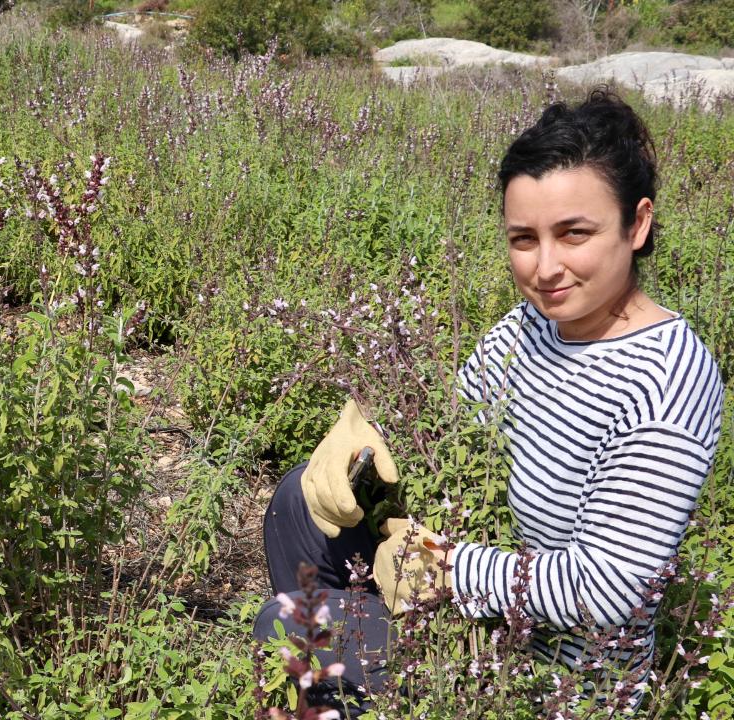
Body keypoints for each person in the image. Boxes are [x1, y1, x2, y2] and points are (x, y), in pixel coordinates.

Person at [254, 88, 726, 709]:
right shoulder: (533, 326)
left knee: (290, 621)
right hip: (478, 610)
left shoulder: (668, 377)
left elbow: (610, 589)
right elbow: (446, 428)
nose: (546, 267)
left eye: (574, 234)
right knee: (300, 500)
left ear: (636, 225)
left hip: (548, 677)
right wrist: (365, 442)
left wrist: (447, 569)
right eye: (524, 239)